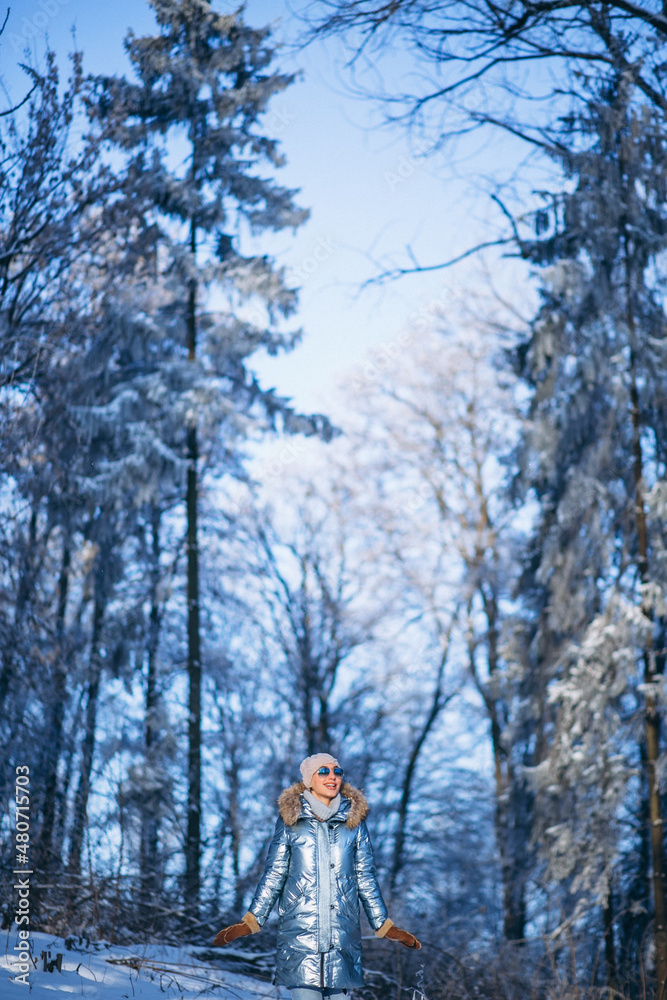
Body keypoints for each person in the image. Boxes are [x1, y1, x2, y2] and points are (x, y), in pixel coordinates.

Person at [213, 752, 421, 999]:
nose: (332, 776)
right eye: (324, 771)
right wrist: (253, 919)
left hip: (342, 938)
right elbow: (275, 873)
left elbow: (365, 876)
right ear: (309, 779)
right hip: (300, 937)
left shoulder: (354, 823)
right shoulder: (291, 821)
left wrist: (383, 924)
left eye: (337, 771)